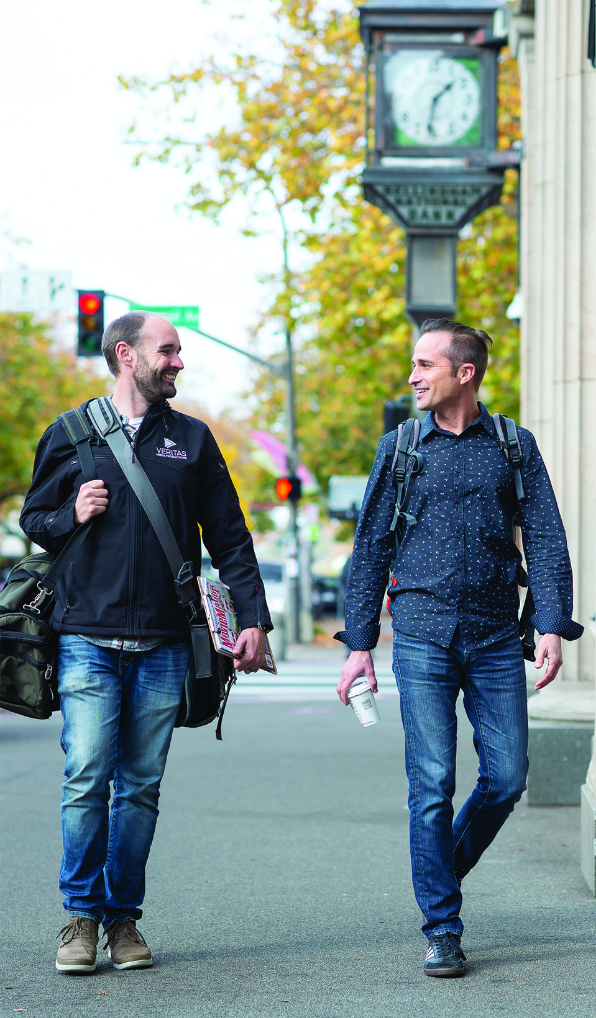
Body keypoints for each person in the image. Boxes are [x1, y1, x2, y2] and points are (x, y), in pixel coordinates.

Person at [20, 311, 272, 974]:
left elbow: (230, 538)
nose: (179, 361)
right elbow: (35, 522)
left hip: (164, 640)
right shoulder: (71, 435)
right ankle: (79, 917)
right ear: (127, 355)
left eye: (180, 351)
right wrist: (70, 512)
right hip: (87, 639)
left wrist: (253, 621)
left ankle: (122, 917)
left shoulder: (191, 440)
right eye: (169, 351)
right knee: (86, 777)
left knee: (139, 786)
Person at [335, 319, 583, 978]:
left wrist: (551, 624)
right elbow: (370, 547)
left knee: (506, 778)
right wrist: (359, 644)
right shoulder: (401, 446)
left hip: (499, 636)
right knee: (433, 784)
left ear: (464, 373)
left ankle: (442, 864)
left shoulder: (512, 443)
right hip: (419, 635)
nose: (413, 376)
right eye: (413, 365)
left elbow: (547, 536)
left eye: (424, 364)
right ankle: (442, 925)